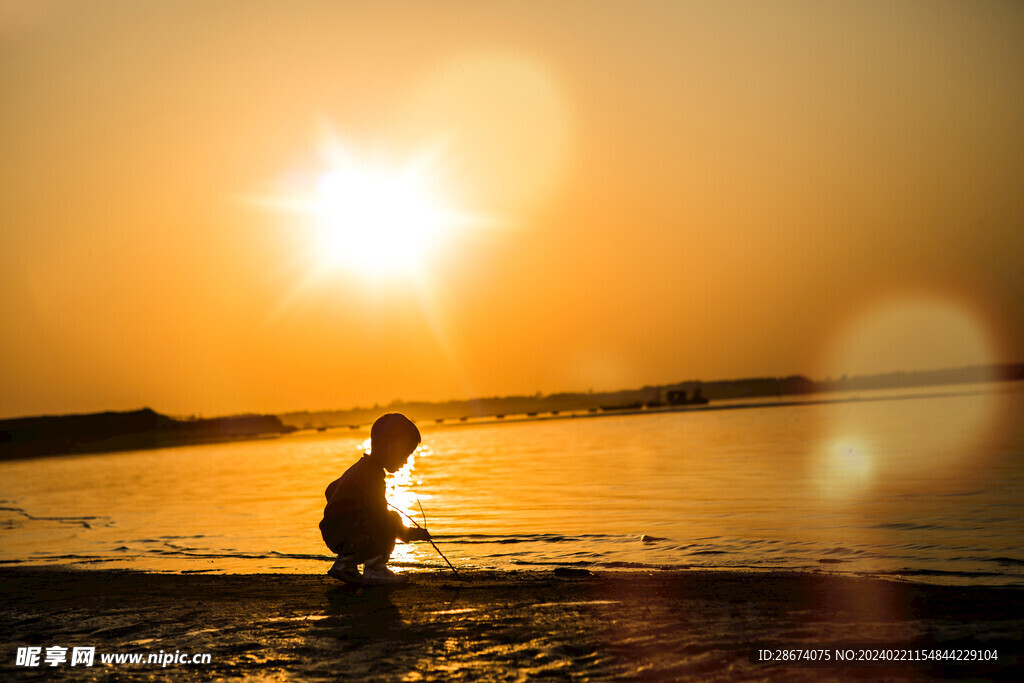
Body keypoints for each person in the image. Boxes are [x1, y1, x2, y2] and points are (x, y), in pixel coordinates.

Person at [319, 413, 431, 585]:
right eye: (405, 454)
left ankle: (346, 564)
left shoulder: (360, 468)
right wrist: (410, 534)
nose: (406, 461)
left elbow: (331, 489)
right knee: (389, 519)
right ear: (387, 446)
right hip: (347, 535)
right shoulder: (372, 475)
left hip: (335, 533)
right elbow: (380, 518)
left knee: (380, 519)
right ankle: (375, 568)